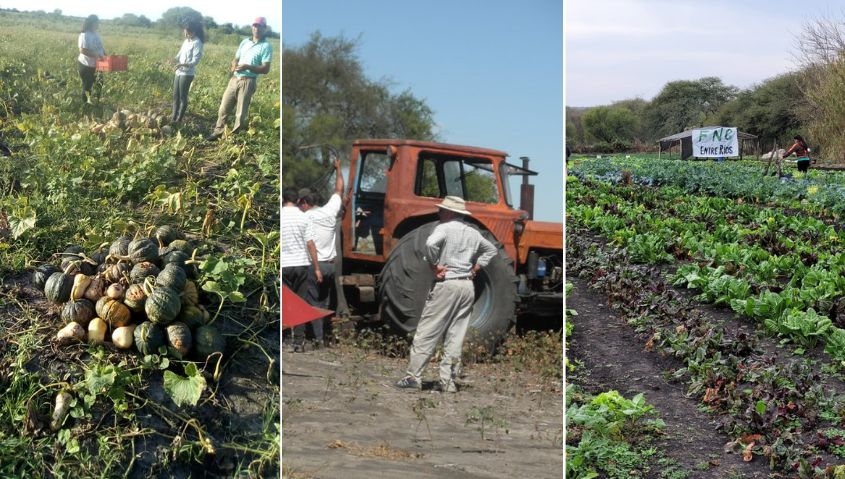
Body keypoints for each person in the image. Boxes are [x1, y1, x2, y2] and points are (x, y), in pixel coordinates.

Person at [395, 196, 497, 393]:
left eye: (442, 210)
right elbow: (491, 250)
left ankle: (413, 377)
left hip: (447, 284)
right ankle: (448, 381)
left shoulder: (443, 228)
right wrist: (476, 267)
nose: (439, 213)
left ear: (450, 213)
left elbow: (431, 243)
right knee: (456, 335)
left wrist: (434, 266)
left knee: (427, 331)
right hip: (467, 286)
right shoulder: (473, 233)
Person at [295, 159, 344, 347]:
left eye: (301, 203)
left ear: (305, 203)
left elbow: (307, 244)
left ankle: (317, 339)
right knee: (324, 303)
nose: (300, 206)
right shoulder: (330, 211)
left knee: (313, 303)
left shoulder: (305, 217)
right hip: (331, 266)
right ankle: (321, 335)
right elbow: (338, 190)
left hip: (315, 266)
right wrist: (339, 169)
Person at [205, 16, 273, 140]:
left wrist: (247, 66)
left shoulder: (266, 46)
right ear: (252, 27)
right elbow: (236, 58)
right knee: (223, 108)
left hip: (248, 81)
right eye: (255, 26)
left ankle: (235, 137)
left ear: (265, 28)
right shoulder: (244, 42)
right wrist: (234, 65)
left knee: (241, 113)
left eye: (259, 26)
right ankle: (218, 132)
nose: (256, 28)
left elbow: (265, 69)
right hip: (235, 79)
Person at [281, 187, 322, 353]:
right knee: (300, 303)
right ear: (298, 201)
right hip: (300, 265)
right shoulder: (304, 218)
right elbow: (310, 244)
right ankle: (298, 342)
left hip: (284, 265)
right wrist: (317, 268)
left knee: (285, 303)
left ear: (283, 199)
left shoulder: (280, 216)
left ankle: (283, 339)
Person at [171, 19, 205, 124]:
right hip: (179, 71)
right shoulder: (186, 41)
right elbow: (179, 54)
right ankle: (173, 118)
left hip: (187, 73)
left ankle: (179, 120)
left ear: (194, 31)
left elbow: (195, 61)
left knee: (182, 97)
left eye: (188, 31)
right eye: (185, 31)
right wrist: (174, 59)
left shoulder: (197, 43)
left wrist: (182, 64)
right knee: (175, 96)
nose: (186, 33)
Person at [77, 15, 106, 104]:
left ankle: (97, 102)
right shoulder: (84, 35)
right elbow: (82, 50)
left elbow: (100, 46)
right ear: (91, 23)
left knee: (99, 84)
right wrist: (96, 55)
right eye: (96, 23)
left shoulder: (96, 33)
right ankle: (85, 105)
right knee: (87, 87)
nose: (97, 25)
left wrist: (105, 55)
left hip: (98, 65)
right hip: (86, 65)